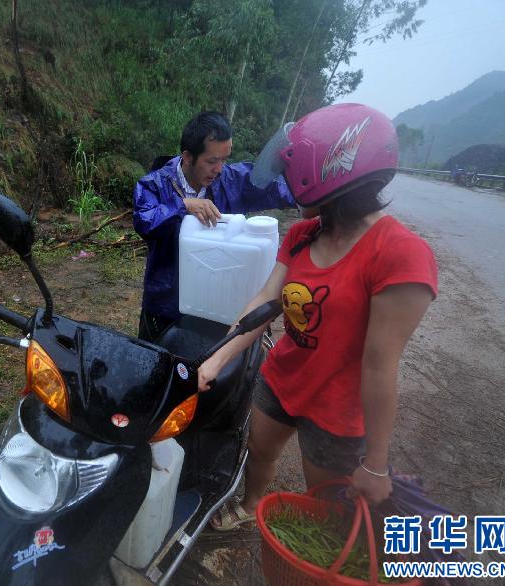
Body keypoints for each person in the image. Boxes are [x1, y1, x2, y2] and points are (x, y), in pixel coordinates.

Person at [198, 103, 438, 530]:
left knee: (326, 504)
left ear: (326, 173)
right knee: (260, 450)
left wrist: (377, 464)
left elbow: (380, 365)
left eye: (293, 175)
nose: (288, 186)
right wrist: (217, 358)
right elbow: (266, 300)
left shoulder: (400, 254)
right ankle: (253, 504)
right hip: (283, 378)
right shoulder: (302, 234)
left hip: (337, 408)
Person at [133, 111, 295, 342]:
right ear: (188, 157)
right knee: (158, 364)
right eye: (211, 161)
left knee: (207, 370)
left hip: (216, 302)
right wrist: (182, 205)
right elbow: (144, 220)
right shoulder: (155, 184)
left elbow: (272, 186)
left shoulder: (231, 179)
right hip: (165, 305)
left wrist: (311, 194)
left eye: (224, 159)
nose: (219, 168)